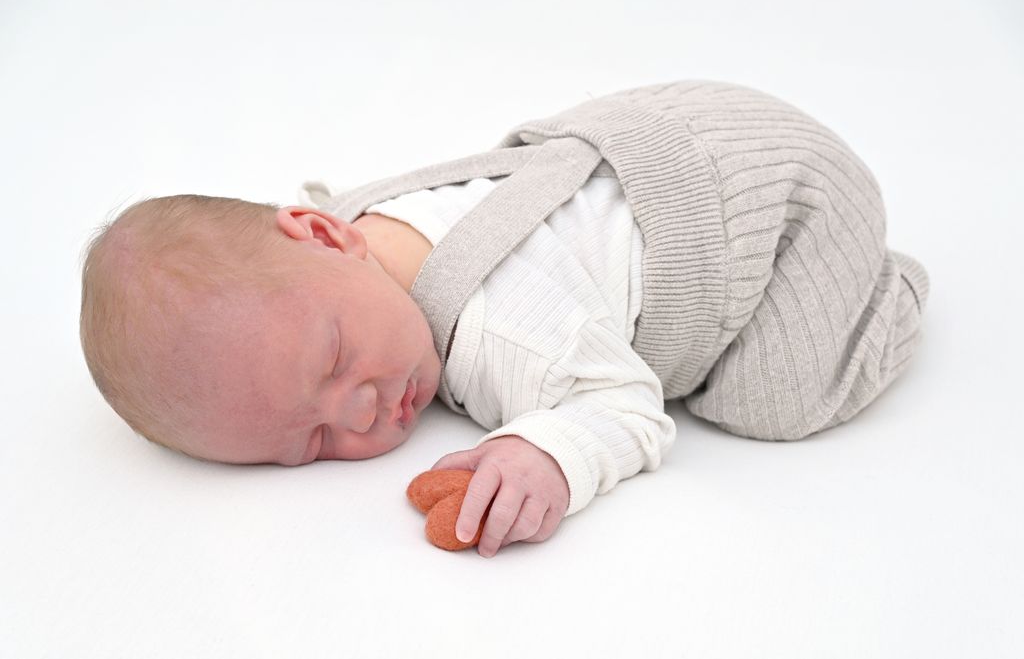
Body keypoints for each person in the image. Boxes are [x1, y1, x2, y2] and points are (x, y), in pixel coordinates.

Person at [79, 79, 930, 558]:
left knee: (772, 398)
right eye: (313, 440)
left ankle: (883, 293)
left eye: (334, 358)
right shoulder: (352, 229)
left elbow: (626, 402)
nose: (360, 409)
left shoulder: (508, 337)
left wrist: (547, 452)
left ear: (323, 232)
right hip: (677, 129)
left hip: (775, 214)